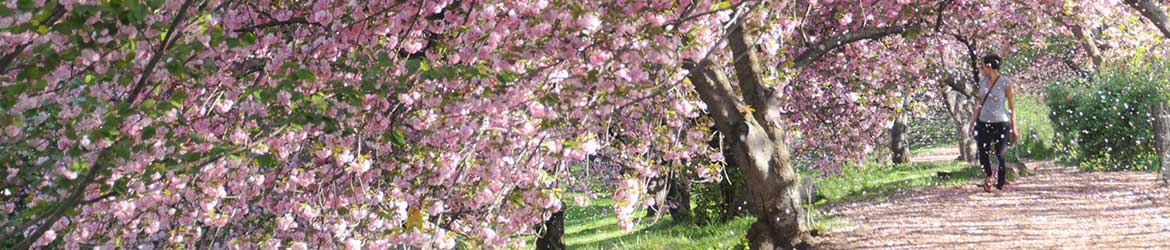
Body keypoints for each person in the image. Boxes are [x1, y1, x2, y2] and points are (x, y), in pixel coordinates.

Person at [971, 53, 1019, 192]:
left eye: (983, 66)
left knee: (1000, 153)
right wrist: (973, 122)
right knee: (982, 152)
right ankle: (988, 175)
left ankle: (1001, 181)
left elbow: (1011, 107)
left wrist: (1014, 126)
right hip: (983, 121)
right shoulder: (982, 82)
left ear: (989, 66)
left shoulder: (1006, 83)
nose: (981, 68)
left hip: (1001, 123)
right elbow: (979, 103)